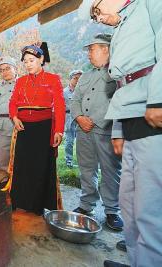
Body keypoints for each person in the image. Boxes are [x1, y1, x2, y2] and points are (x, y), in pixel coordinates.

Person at [79, 1, 162, 266]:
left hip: (151, 111)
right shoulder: (123, 24)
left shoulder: (151, 4)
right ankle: (138, 260)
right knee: (131, 203)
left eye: (97, 9)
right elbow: (122, 83)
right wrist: (118, 129)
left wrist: (158, 100)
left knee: (150, 207)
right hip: (131, 117)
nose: (99, 18)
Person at [70, 33, 123, 231]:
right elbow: (75, 100)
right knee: (87, 169)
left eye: (92, 49)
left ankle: (111, 210)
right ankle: (86, 205)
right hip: (83, 131)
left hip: (106, 130)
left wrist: (96, 121)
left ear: (106, 49)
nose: (89, 54)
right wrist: (79, 118)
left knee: (110, 171)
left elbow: (119, 100)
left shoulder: (117, 72)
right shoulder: (85, 75)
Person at [9, 44, 65, 215]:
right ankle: (18, 201)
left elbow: (60, 106)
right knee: (22, 165)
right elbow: (13, 102)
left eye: (31, 60)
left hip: (43, 127)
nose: (28, 64)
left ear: (41, 60)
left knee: (40, 167)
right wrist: (15, 117)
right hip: (23, 128)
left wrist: (59, 130)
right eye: (25, 61)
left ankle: (37, 205)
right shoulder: (20, 81)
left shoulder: (53, 79)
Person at [63, 69, 82, 168]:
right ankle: (68, 161)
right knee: (69, 141)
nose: (77, 80)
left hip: (81, 119)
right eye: (75, 78)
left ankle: (81, 162)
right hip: (69, 119)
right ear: (70, 79)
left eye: (80, 78)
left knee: (81, 142)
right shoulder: (64, 92)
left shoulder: (83, 91)